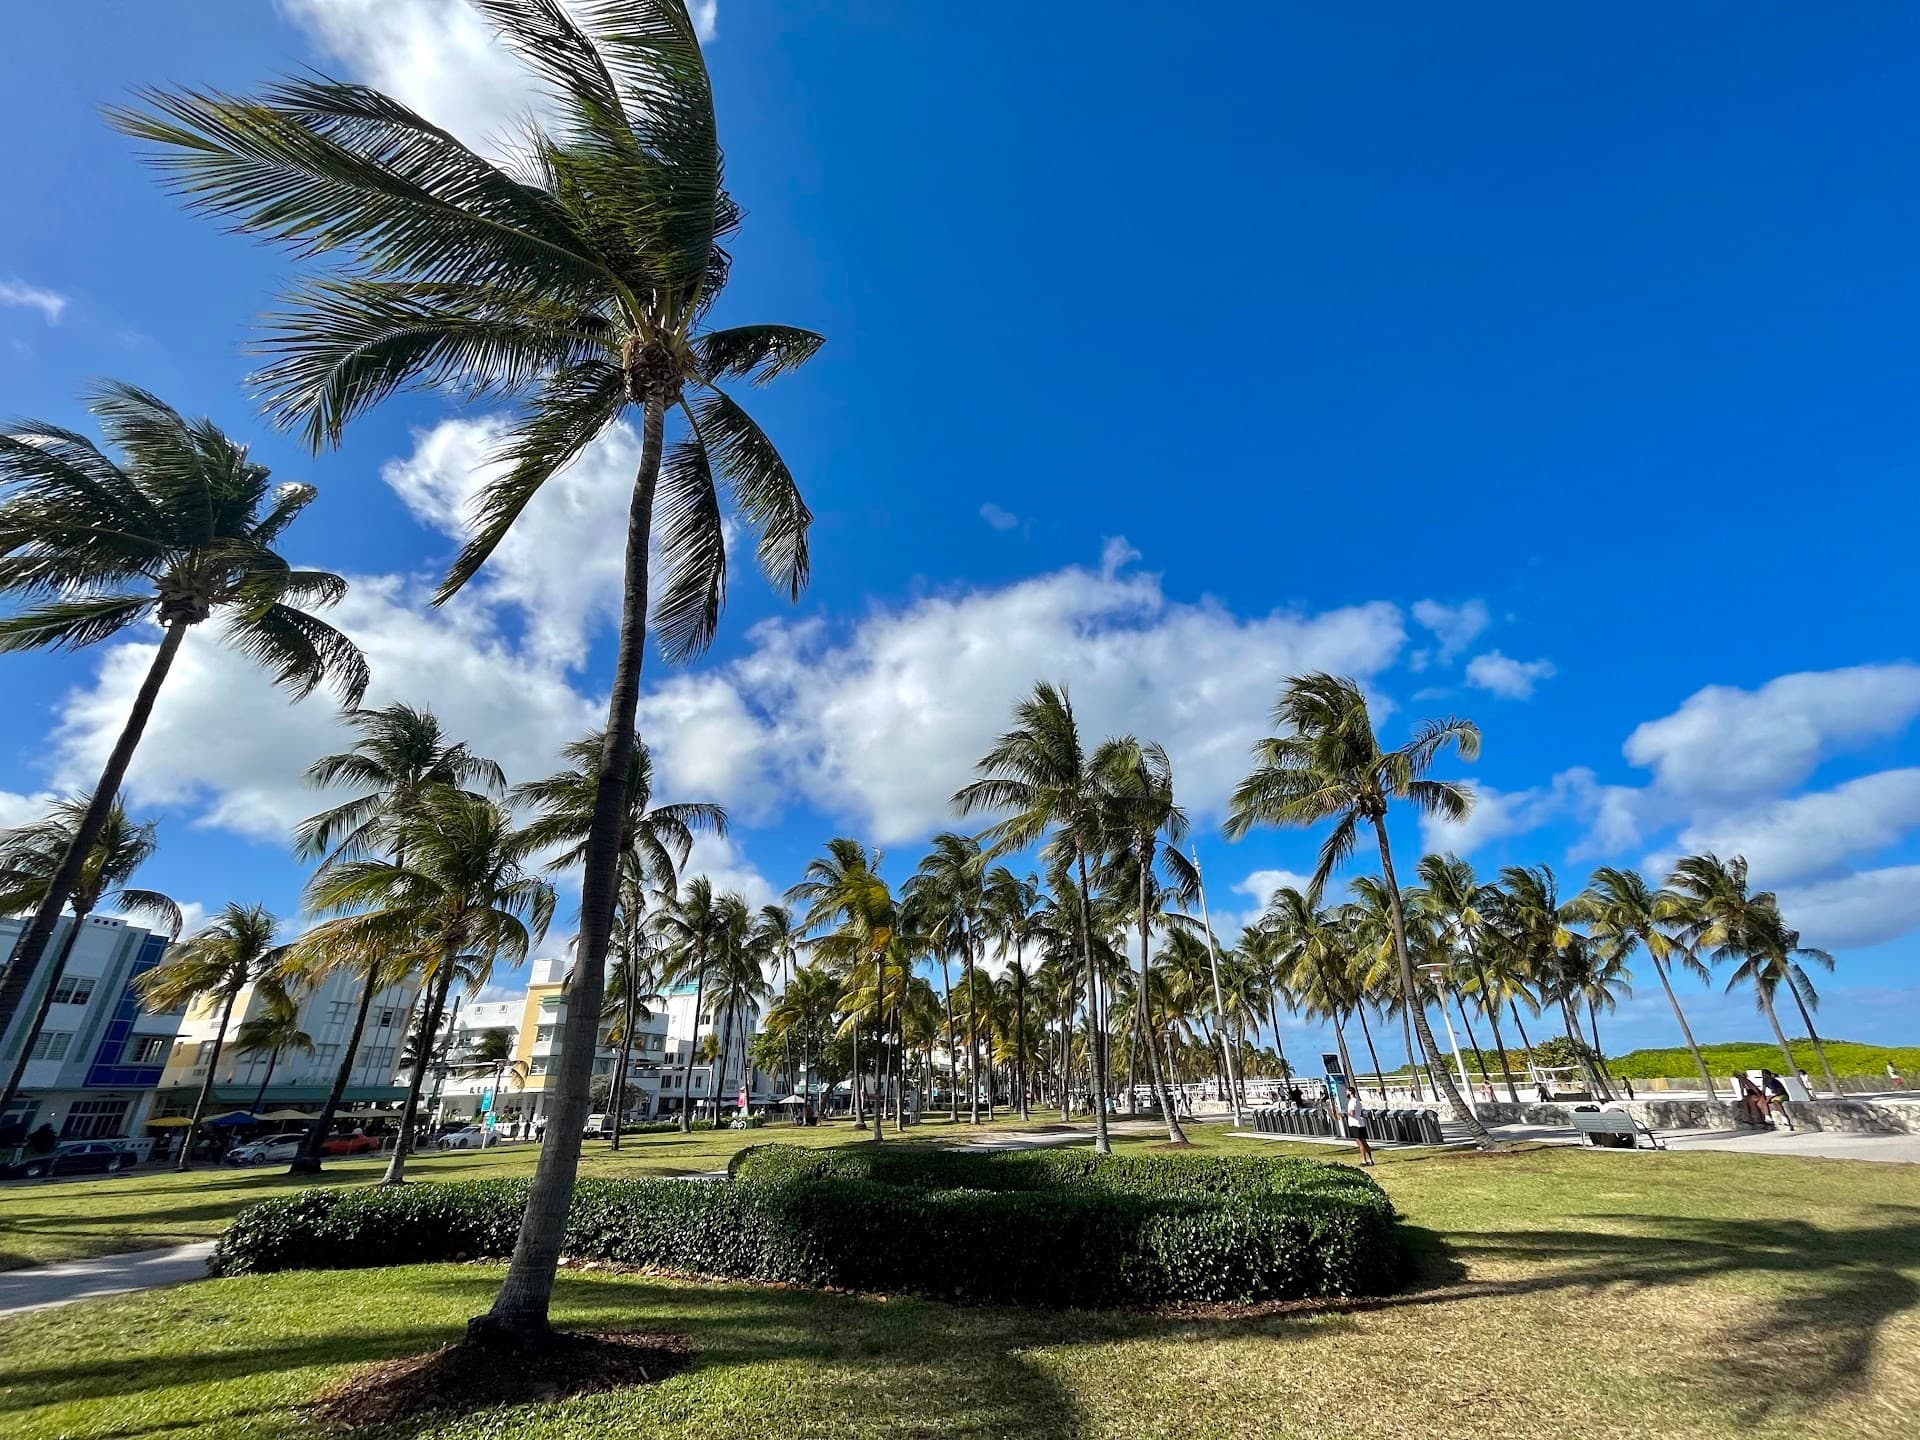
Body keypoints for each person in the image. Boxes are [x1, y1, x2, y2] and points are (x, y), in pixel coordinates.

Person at [1343, 1088, 1373, 1167]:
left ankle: (1364, 1160)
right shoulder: (1358, 1101)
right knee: (1364, 1142)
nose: (1346, 1093)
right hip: (1360, 1123)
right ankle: (1370, 1159)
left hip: (1355, 1124)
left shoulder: (1352, 1102)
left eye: (1347, 1091)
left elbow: (1352, 1113)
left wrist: (1346, 1113)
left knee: (1360, 1143)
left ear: (1350, 1092)